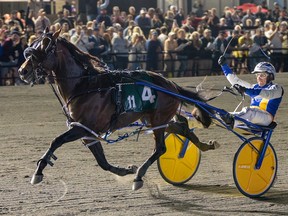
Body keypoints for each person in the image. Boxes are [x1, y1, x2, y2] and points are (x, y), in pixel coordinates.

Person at [218, 55, 284, 128]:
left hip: (266, 118)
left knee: (249, 111)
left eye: (262, 75)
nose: (259, 78)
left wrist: (245, 90)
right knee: (223, 114)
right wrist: (224, 66)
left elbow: (266, 94)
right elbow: (236, 81)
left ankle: (232, 121)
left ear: (270, 76)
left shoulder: (277, 89)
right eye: (257, 75)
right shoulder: (254, 87)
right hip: (252, 116)